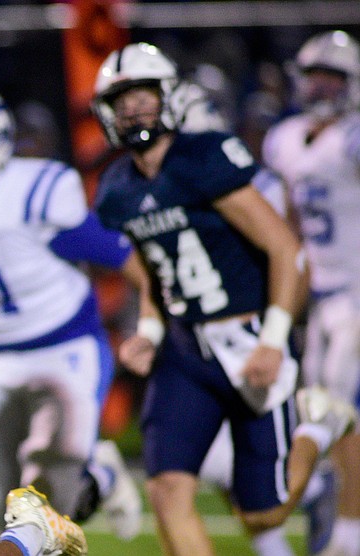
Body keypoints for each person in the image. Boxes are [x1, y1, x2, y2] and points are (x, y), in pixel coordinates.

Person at [91, 41, 358, 556]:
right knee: (167, 490)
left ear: (168, 97)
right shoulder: (117, 187)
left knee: (264, 512)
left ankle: (320, 425)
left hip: (250, 336)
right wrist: (148, 330)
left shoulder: (205, 157)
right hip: (186, 348)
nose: (131, 108)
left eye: (141, 96)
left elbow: (286, 250)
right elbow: (154, 268)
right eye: (120, 99)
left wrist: (275, 341)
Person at [0, 80, 142, 539]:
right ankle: (95, 478)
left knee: (50, 490)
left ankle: (98, 475)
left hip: (63, 346)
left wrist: (150, 322)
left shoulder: (37, 190)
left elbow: (119, 254)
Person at [263, 29, 360, 556]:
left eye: (332, 77)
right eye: (315, 75)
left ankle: (345, 528)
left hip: (356, 294)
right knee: (316, 409)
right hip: (317, 294)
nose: (321, 87)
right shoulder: (286, 138)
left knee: (335, 406)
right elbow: (288, 224)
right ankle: (328, 507)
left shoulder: (352, 136)